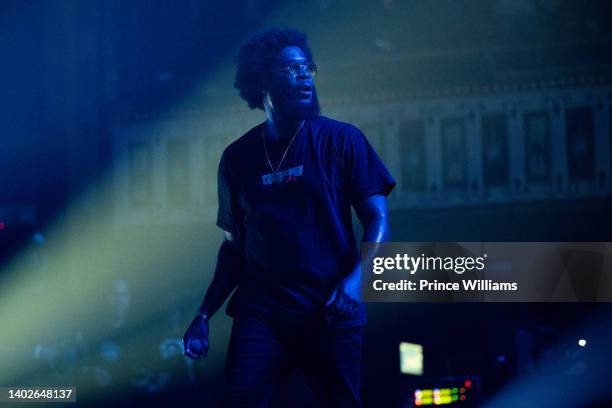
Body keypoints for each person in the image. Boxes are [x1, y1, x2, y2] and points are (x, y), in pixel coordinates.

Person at [183, 28, 395, 407]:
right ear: (262, 79)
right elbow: (233, 247)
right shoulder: (237, 157)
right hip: (261, 314)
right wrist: (203, 313)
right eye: (290, 68)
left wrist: (355, 281)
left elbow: (378, 219)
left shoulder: (342, 140)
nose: (303, 76)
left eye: (307, 68)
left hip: (329, 310)